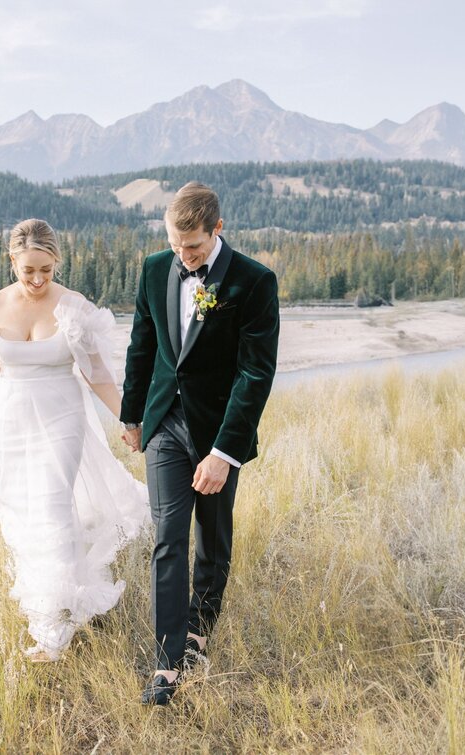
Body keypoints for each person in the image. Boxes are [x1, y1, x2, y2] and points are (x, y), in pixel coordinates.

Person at [0, 218, 149, 663]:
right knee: (28, 516)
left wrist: (129, 420)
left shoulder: (73, 306)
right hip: (12, 422)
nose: (39, 280)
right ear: (12, 263)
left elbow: (97, 375)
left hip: (62, 419)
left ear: (56, 260)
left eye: (46, 269)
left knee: (54, 506)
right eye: (29, 272)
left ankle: (51, 635)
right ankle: (65, 603)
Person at [120, 182, 280, 705]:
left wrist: (224, 453)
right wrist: (132, 413)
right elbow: (143, 342)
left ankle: (198, 630)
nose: (182, 255)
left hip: (217, 432)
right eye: (175, 244)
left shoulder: (254, 282)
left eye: (192, 246)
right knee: (168, 535)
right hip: (165, 421)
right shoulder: (152, 269)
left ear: (218, 229)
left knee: (212, 536)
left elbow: (254, 374)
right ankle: (168, 662)